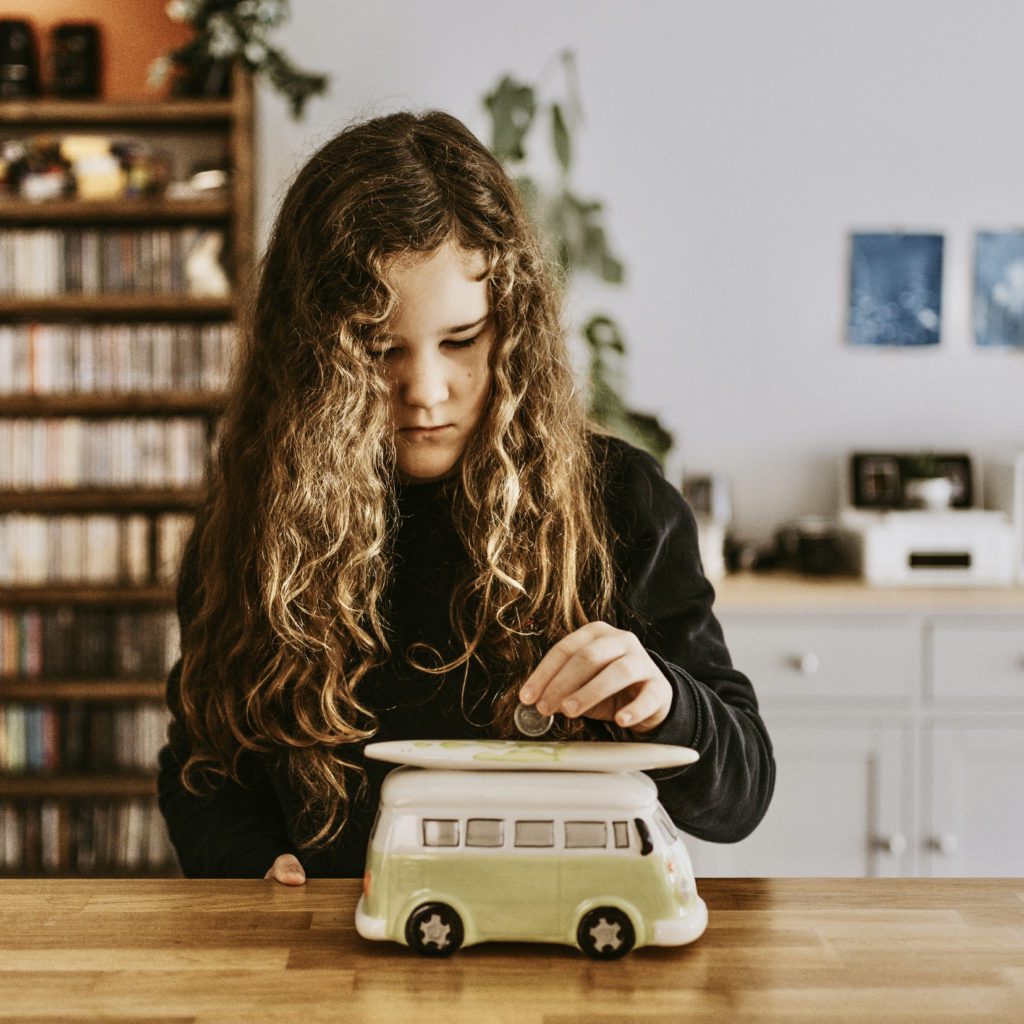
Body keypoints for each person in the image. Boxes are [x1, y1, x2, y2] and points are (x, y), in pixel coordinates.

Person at [157, 110, 774, 885]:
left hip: (565, 960)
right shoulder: (253, 520)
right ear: (313, 353)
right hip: (327, 965)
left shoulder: (622, 503)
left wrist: (664, 700)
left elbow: (742, 796)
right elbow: (202, 767)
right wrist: (250, 864)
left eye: (461, 341)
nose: (424, 391)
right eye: (379, 350)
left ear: (511, 327)